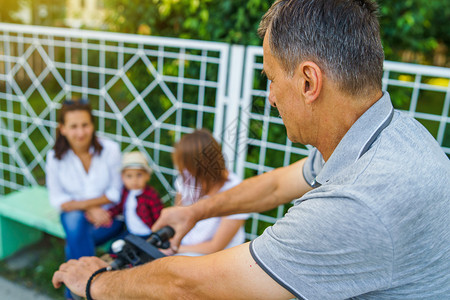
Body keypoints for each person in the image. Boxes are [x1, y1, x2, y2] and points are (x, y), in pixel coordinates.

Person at [52, 1, 450, 299]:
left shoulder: (359, 200)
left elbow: (190, 285)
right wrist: (195, 210)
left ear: (309, 81)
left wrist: (95, 282)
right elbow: (278, 185)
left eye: (271, 78)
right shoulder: (384, 133)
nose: (271, 96)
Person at [46, 99, 125, 299]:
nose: (80, 132)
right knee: (74, 220)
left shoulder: (110, 150)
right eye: (73, 126)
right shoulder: (55, 158)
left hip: (107, 218)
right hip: (77, 218)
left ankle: (73, 292)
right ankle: (92, 285)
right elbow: (58, 200)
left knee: (74, 240)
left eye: (85, 125)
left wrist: (85, 206)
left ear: (92, 125)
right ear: (62, 129)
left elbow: (115, 192)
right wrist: (89, 208)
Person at [170, 129, 249, 256]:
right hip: (183, 249)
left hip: (216, 258)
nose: (185, 171)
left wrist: (174, 248)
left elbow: (215, 247)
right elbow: (179, 218)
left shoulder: (235, 191)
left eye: (188, 166)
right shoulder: (187, 178)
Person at [88, 151, 164, 239]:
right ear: (122, 177)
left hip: (147, 233)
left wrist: (158, 233)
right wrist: (107, 215)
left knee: (142, 251)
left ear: (147, 176)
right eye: (129, 176)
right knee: (115, 249)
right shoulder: (126, 192)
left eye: (139, 175)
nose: (134, 180)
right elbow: (119, 208)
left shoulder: (150, 195)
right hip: (131, 232)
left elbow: (158, 216)